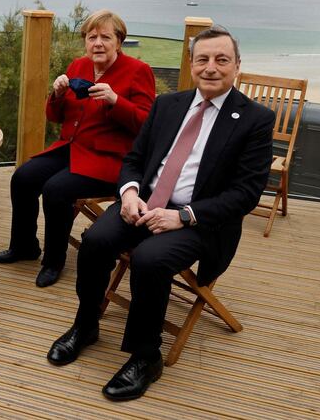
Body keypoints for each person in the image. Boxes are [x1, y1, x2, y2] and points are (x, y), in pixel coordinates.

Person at [47, 25, 274, 400]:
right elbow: (135, 158)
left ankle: (145, 355)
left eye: (222, 60)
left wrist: (182, 216)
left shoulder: (254, 120)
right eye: (203, 59)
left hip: (200, 220)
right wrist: (131, 192)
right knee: (95, 241)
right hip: (144, 203)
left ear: (237, 66)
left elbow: (245, 194)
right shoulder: (169, 105)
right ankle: (86, 324)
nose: (211, 67)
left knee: (150, 260)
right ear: (191, 64)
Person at [0, 10, 156, 288]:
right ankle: (24, 246)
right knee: (23, 177)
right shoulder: (79, 65)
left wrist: (116, 101)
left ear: (119, 41)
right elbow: (56, 116)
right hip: (71, 148)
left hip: (108, 159)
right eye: (92, 37)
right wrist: (56, 94)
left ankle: (53, 261)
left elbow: (148, 125)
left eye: (106, 37)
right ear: (85, 41)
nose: (98, 43)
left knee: (56, 190)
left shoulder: (138, 72)